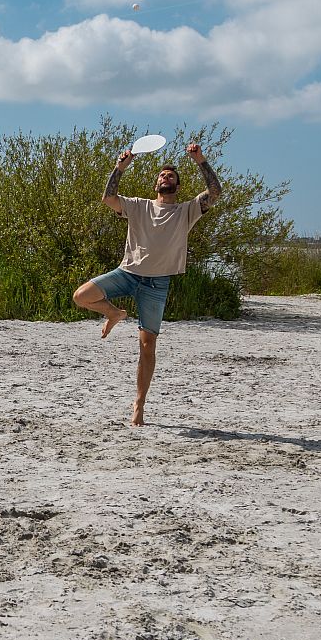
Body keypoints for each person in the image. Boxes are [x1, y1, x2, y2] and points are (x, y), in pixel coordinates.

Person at [72, 141, 222, 426]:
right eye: (162, 175)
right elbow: (108, 198)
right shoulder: (138, 206)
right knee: (81, 295)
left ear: (177, 186)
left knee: (147, 347)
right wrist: (120, 167)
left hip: (157, 285)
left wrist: (200, 160)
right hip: (127, 273)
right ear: (156, 184)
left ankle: (139, 405)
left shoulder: (186, 211)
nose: (166, 178)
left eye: (171, 176)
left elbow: (215, 193)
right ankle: (114, 313)